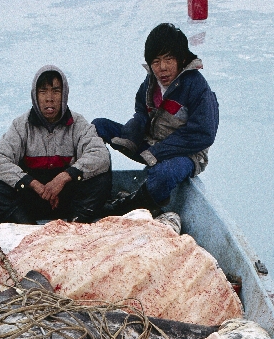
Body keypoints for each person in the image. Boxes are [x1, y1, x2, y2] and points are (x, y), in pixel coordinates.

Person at [93, 23, 219, 216]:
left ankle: (127, 205)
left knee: (164, 174)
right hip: (152, 145)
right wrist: (131, 135)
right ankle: (95, 189)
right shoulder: (151, 81)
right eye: (156, 61)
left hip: (186, 154)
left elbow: (203, 134)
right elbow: (141, 111)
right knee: (98, 127)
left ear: (182, 59)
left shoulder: (197, 86)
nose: (162, 68)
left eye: (169, 59)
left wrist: (158, 152)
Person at [0, 66, 112, 224]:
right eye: (43, 91)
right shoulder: (20, 126)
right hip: (33, 200)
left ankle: (75, 225)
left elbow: (100, 155)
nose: (49, 98)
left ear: (64, 95)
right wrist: (34, 185)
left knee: (102, 178)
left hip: (68, 200)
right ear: (35, 96)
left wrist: (63, 178)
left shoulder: (78, 124)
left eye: (56, 91)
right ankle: (28, 229)